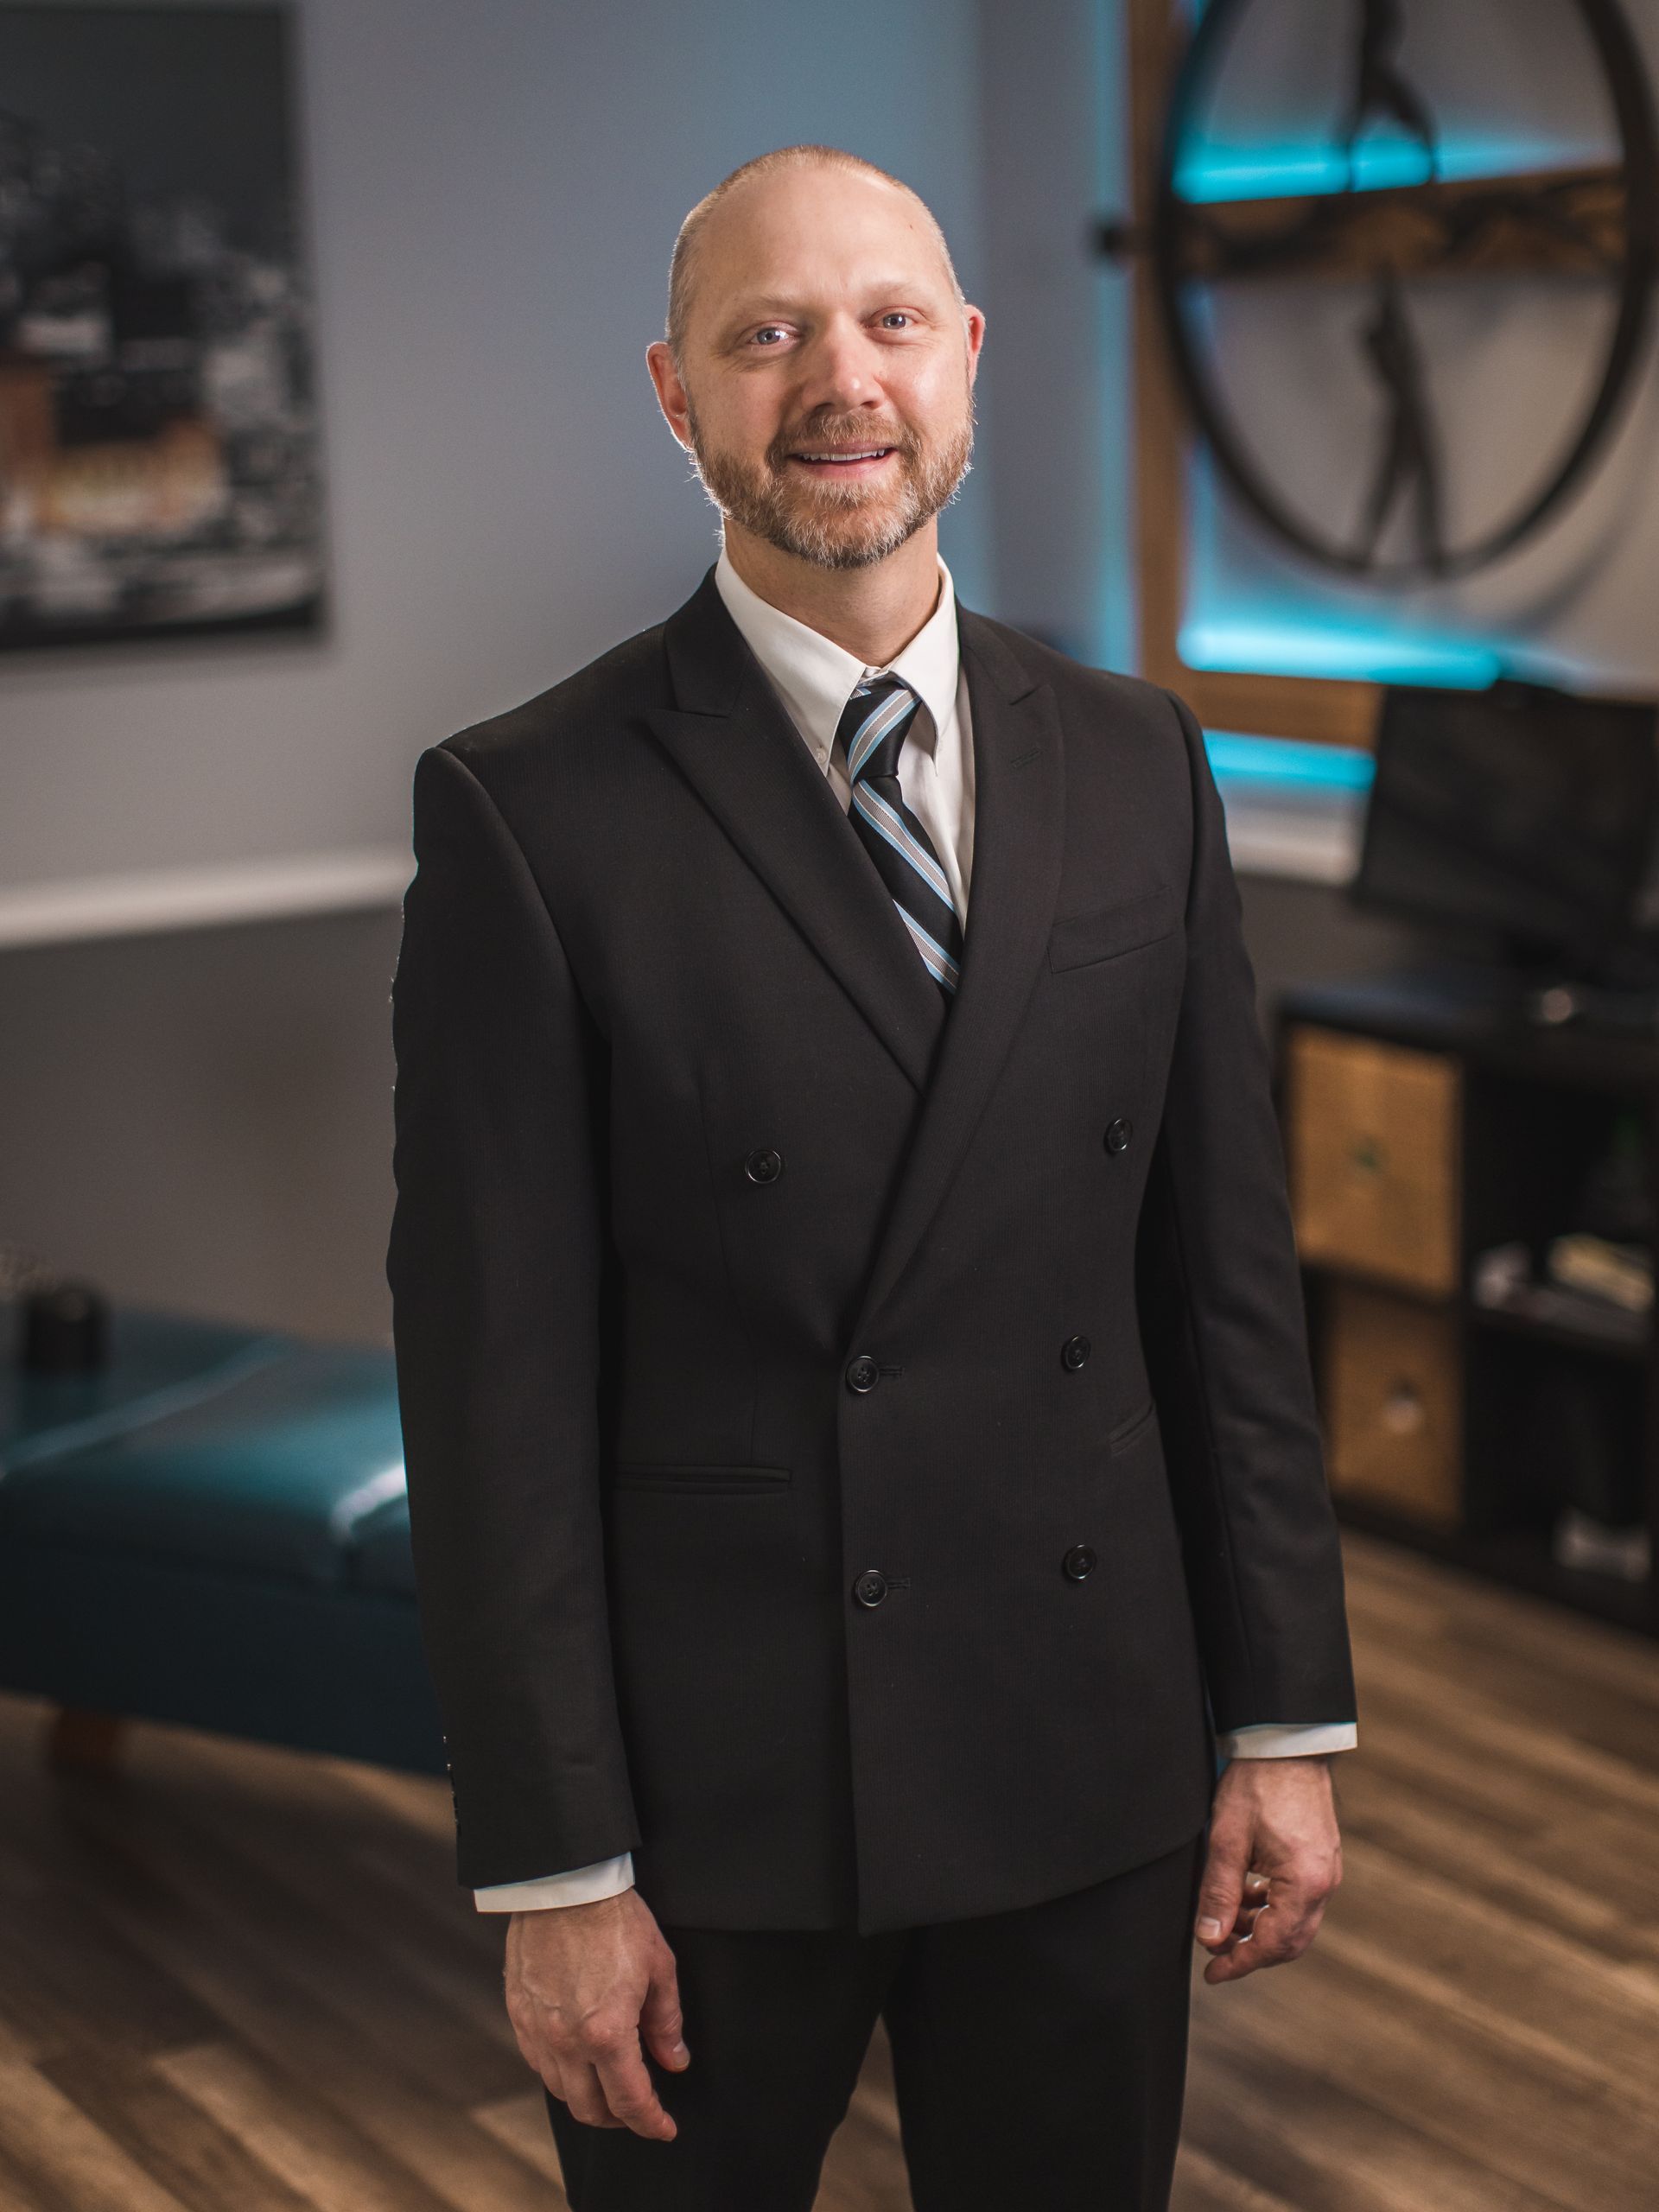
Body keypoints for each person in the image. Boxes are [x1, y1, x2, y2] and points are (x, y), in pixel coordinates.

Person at [386, 143, 1357, 2212]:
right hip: (716, 1802)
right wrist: (559, 1866)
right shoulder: (525, 813)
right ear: (676, 394)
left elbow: (1225, 1287)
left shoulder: (1138, 757)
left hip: (1087, 1755)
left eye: (890, 320)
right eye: (769, 334)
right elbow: (496, 1393)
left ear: (970, 360)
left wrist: (1284, 1718)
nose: (841, 378)